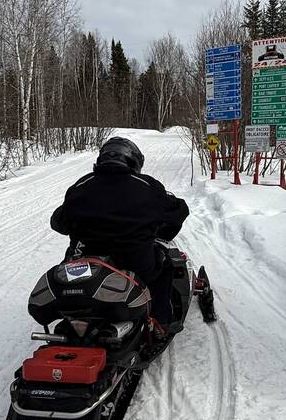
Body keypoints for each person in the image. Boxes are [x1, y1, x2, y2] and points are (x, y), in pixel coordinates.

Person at [50, 137, 189, 333]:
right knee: (165, 265)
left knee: (69, 260)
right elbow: (179, 211)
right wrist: (162, 228)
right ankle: (160, 322)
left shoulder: (81, 185)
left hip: (84, 263)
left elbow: (58, 223)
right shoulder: (146, 186)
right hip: (134, 263)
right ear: (134, 161)